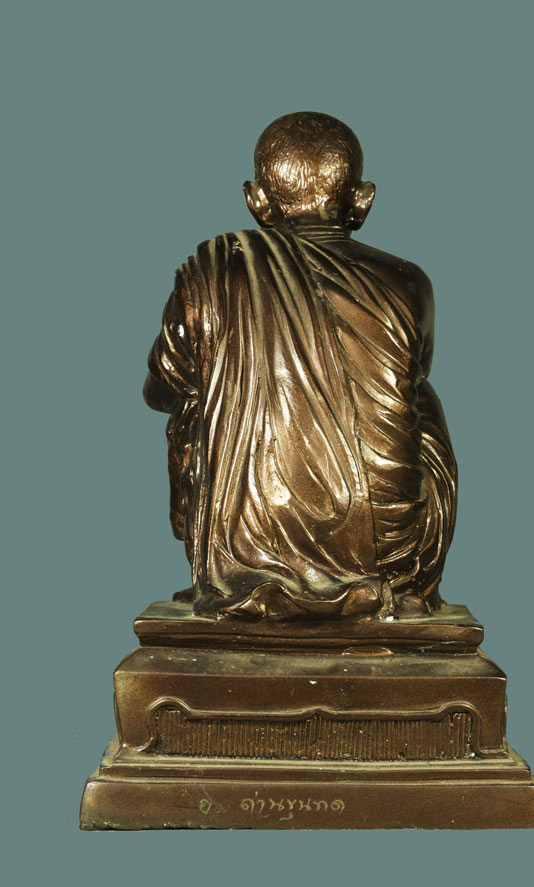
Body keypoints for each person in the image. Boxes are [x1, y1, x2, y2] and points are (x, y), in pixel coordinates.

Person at [143, 111, 457, 620]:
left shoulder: (216, 272)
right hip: (383, 548)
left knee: (194, 403)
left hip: (246, 529)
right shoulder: (408, 283)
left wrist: (232, 376)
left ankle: (234, 569)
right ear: (362, 200)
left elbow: (160, 390)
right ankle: (403, 585)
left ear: (256, 201)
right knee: (421, 400)